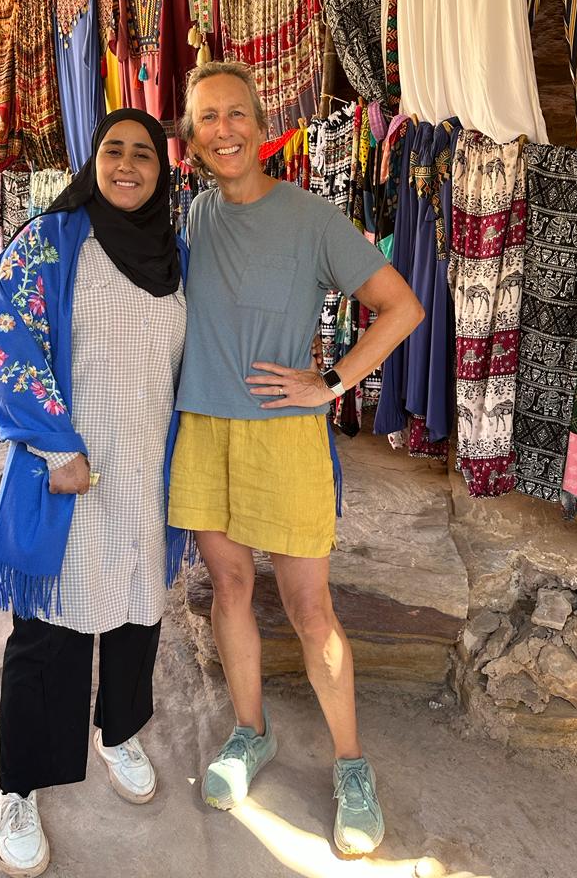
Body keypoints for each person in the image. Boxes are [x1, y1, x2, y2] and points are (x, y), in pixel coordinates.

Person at [168, 62, 424, 857]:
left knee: (312, 610)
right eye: (207, 118)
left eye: (235, 113)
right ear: (192, 138)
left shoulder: (313, 218)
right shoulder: (194, 217)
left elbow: (402, 307)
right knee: (231, 588)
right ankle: (251, 732)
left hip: (285, 434)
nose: (224, 130)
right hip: (204, 429)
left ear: (260, 122)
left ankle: (352, 765)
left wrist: (333, 381)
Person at [0, 109, 187, 877]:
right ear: (92, 161)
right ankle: (19, 787)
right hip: (68, 471)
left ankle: (118, 732)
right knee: (50, 628)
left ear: (163, 171)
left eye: (144, 154)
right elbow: (12, 345)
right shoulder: (51, 241)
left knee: (135, 609)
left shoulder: (175, 257)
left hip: (144, 471)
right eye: (113, 150)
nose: (128, 164)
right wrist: (56, 446)